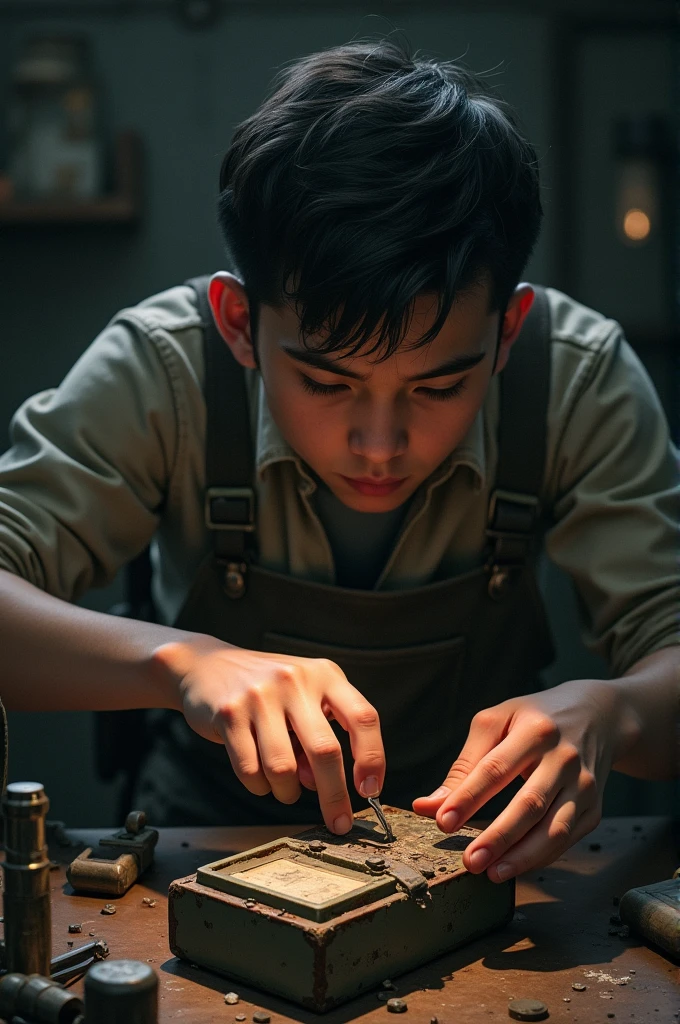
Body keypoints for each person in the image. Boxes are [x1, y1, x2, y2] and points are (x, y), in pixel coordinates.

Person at [0, 40, 677, 888]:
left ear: (506, 332)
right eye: (327, 380)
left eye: (439, 386)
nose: (381, 444)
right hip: (202, 848)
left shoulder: (573, 375)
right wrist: (179, 662)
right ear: (239, 322)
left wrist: (616, 712)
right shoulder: (166, 368)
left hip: (486, 865)